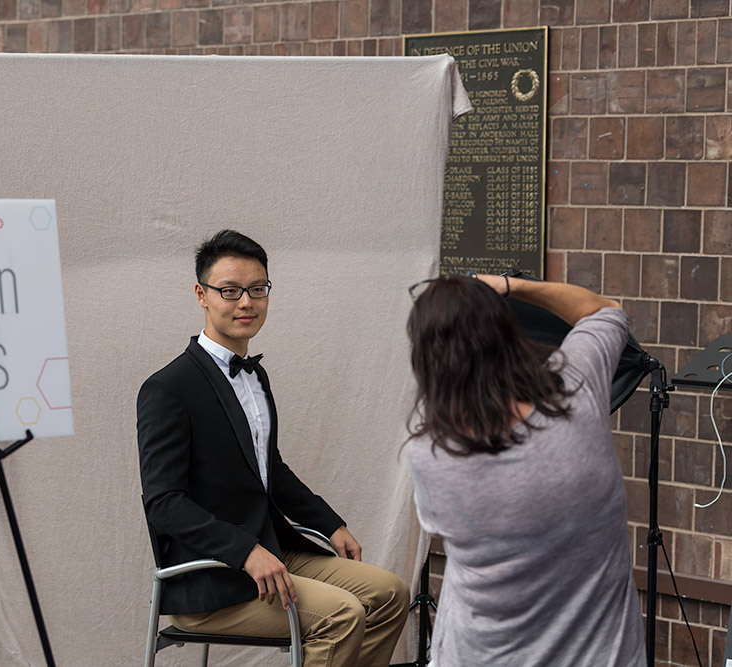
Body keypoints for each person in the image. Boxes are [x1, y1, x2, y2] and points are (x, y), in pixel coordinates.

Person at [137, 229, 409, 666]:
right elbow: (165, 503)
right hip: (213, 578)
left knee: (390, 593)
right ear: (201, 295)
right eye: (230, 290)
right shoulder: (168, 389)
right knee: (342, 615)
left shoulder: (255, 377)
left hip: (274, 549)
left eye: (257, 289)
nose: (246, 302)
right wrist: (244, 551)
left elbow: (270, 470)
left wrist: (329, 523)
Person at [404, 273, 645, 667]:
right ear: (508, 335)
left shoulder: (430, 453)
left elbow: (435, 526)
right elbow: (604, 312)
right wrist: (511, 286)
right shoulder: (576, 390)